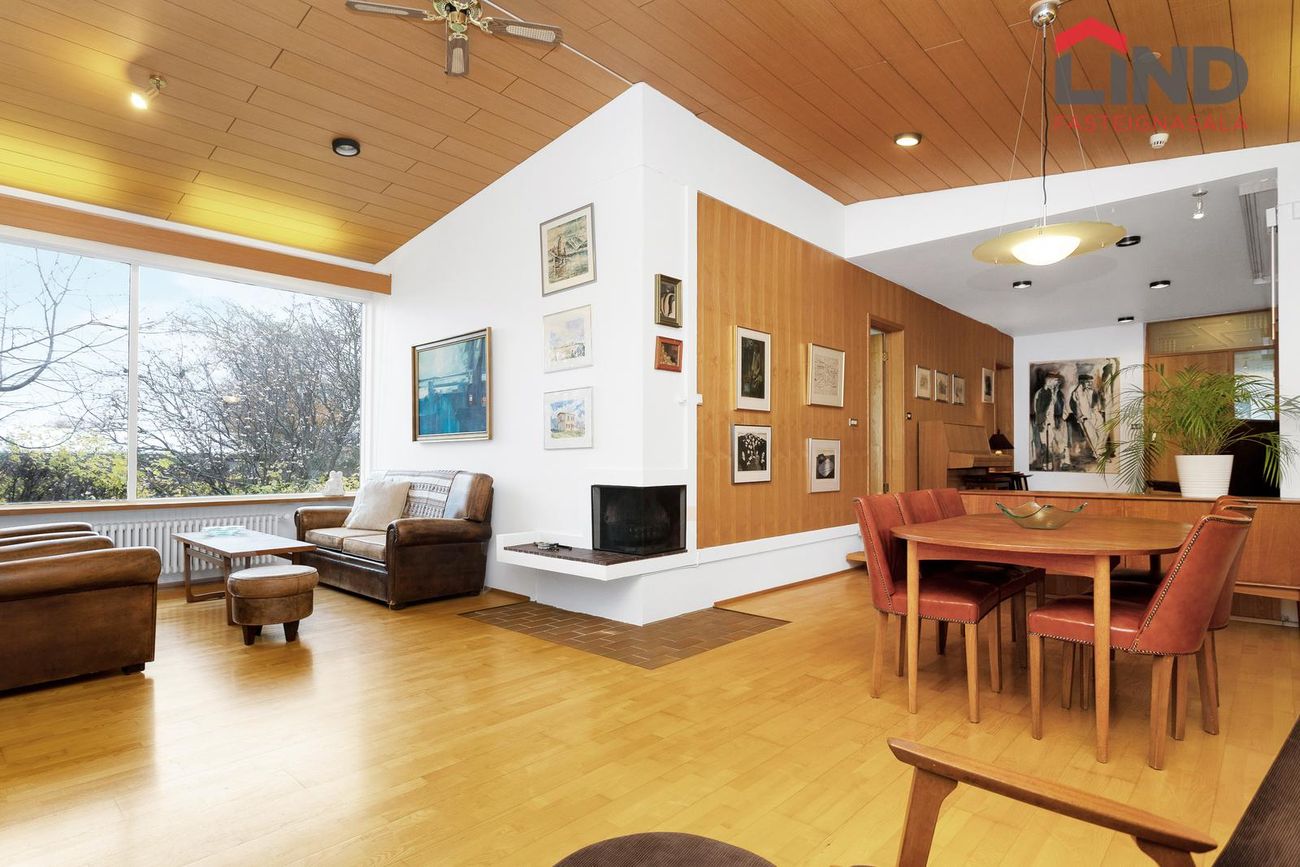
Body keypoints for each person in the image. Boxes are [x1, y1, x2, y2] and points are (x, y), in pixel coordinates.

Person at [1031, 371, 1067, 470]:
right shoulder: (1041, 393)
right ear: (1049, 380)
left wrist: (1061, 418)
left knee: (1058, 442)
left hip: (1055, 422)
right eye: (1056, 381)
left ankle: (1060, 462)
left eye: (1058, 381)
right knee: (1046, 443)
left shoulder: (1057, 393)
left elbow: (1060, 407)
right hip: (1045, 422)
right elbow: (1038, 410)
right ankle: (1046, 464)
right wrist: (1041, 423)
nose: (1057, 383)